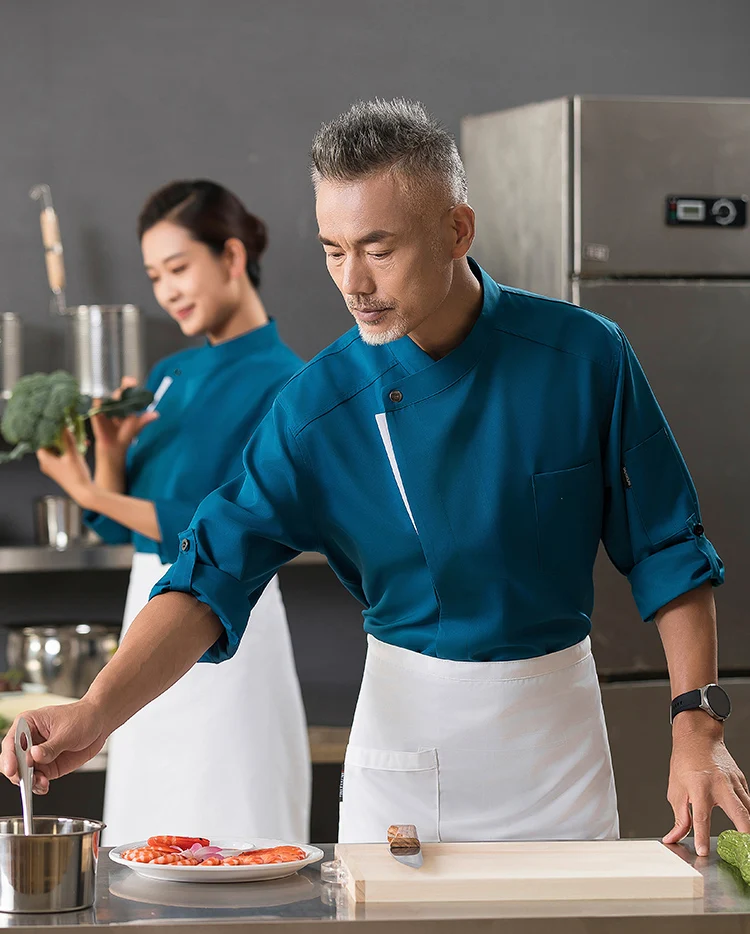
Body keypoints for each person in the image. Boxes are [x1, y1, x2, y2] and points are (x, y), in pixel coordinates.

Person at [3, 101, 748, 857]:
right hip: (407, 760)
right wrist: (96, 710)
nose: (353, 282)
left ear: (457, 229)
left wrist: (698, 726)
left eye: (378, 249)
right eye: (332, 250)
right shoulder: (316, 406)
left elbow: (667, 546)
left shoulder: (585, 356)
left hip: (558, 751)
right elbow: (209, 572)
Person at [29, 179, 310, 845]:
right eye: (156, 275)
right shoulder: (173, 374)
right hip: (143, 613)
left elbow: (211, 525)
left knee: (231, 831)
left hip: (224, 625)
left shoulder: (288, 382)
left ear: (233, 258)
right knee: (145, 833)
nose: (167, 291)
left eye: (180, 268)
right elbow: (121, 522)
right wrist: (106, 457)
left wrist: (95, 493)